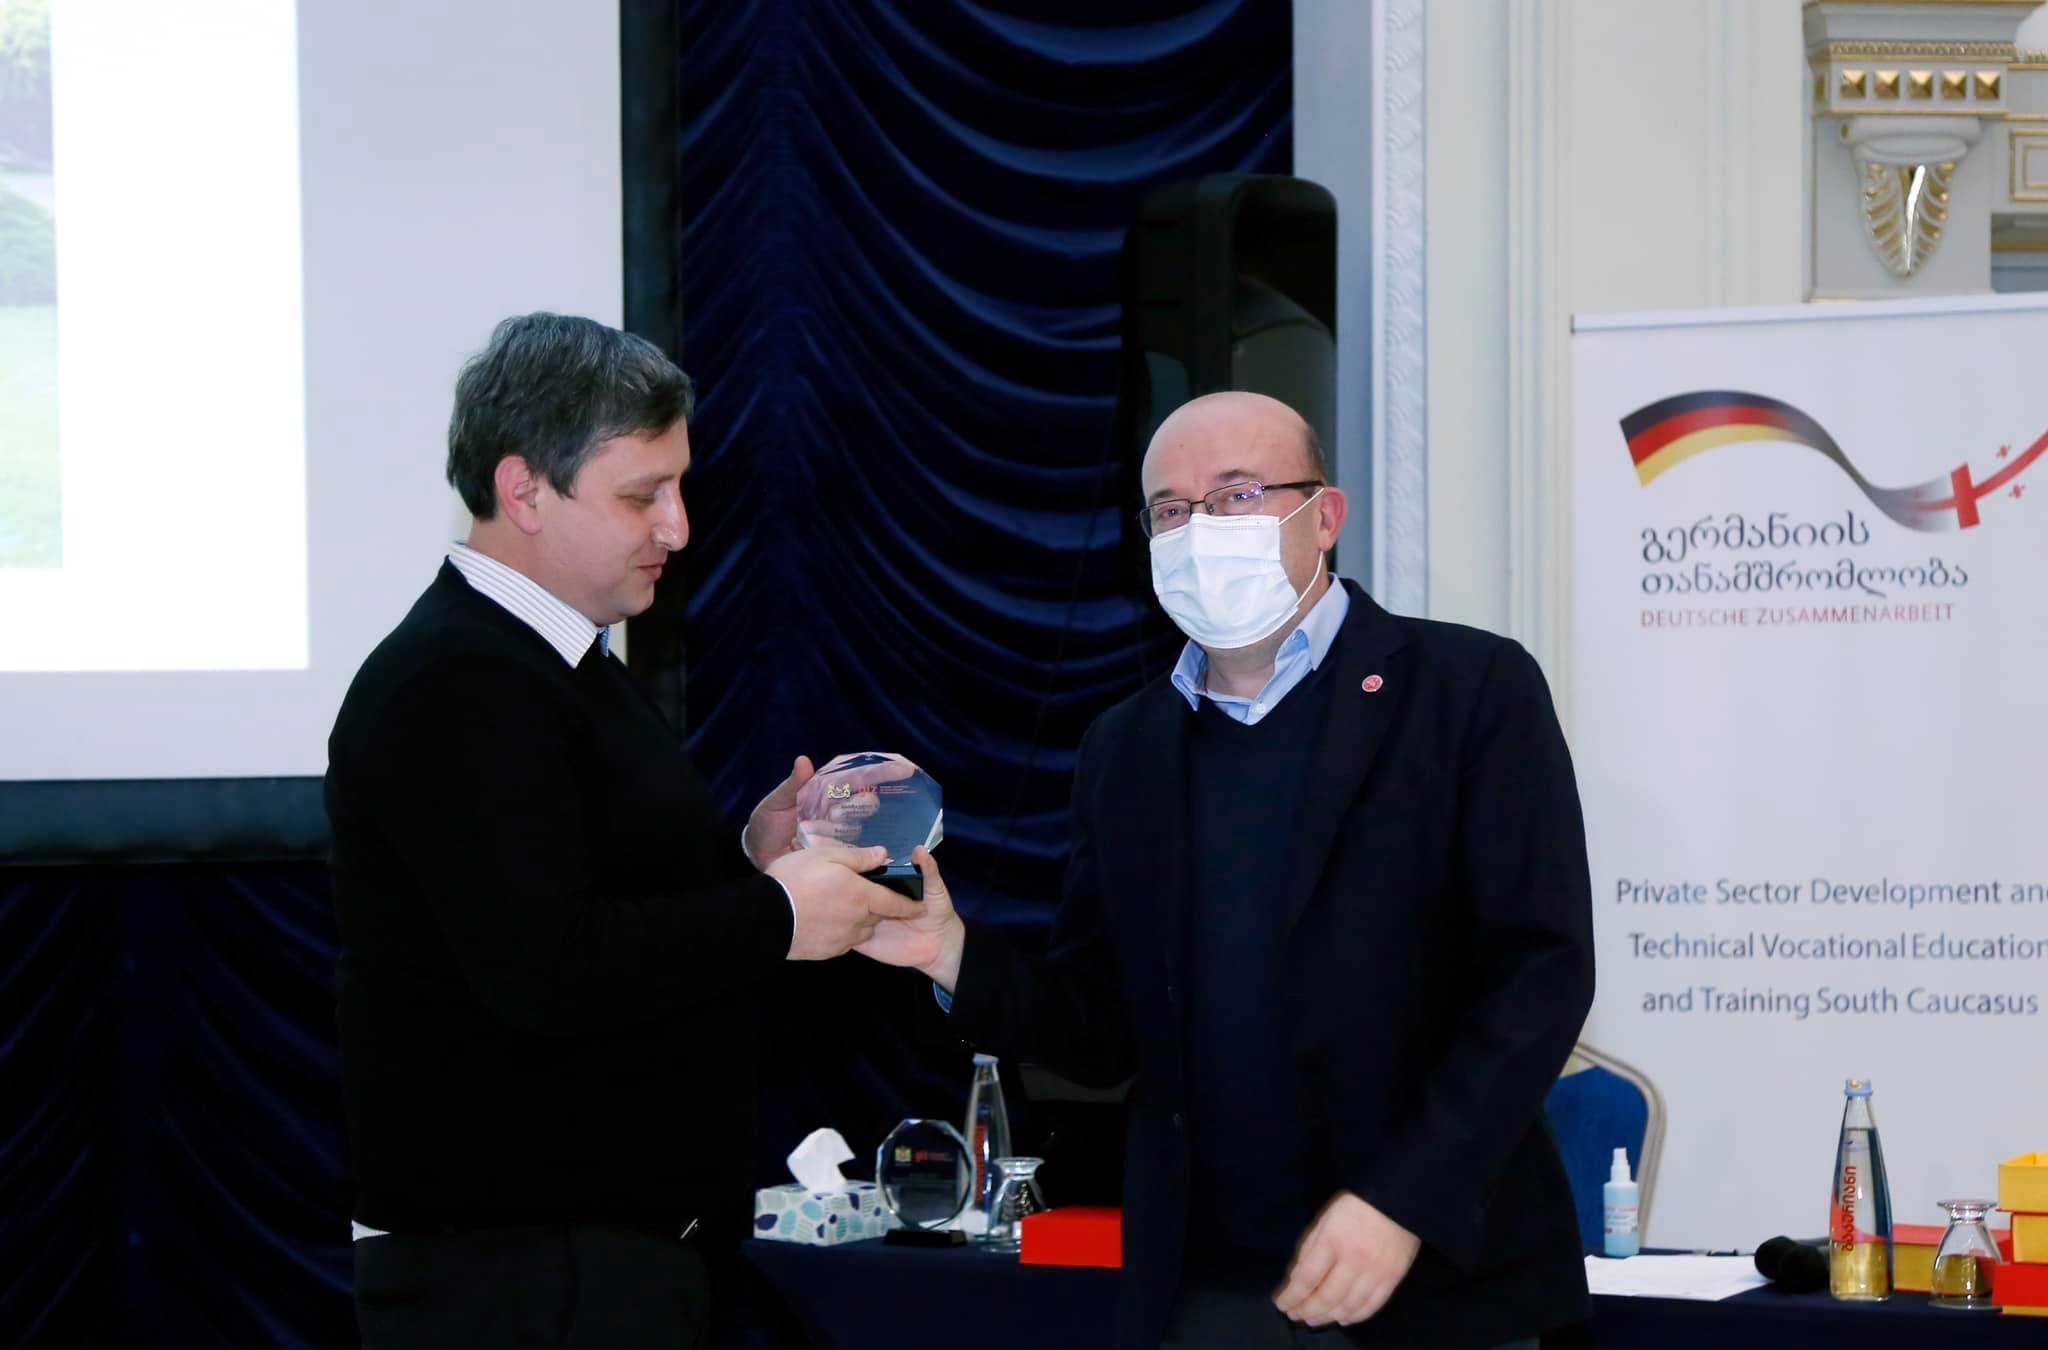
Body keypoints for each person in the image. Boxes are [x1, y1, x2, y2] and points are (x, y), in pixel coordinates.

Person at [859, 391, 1595, 1350]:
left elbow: (1540, 975)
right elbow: (1104, 1030)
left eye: (1237, 494)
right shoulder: (1125, 746)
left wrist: (1403, 1200)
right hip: (1204, 1289)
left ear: (1324, 516)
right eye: (1171, 509)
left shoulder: (1468, 690)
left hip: (1434, 1282)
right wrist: (950, 953)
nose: (1200, 529)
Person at [325, 312, 918, 1349]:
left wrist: (747, 860)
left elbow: (589, 891)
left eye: (679, 488)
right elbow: (548, 963)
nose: (677, 528)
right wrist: (775, 915)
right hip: (521, 1277)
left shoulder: (556, 663)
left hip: (585, 1264)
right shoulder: (460, 681)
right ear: (523, 491)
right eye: (643, 495)